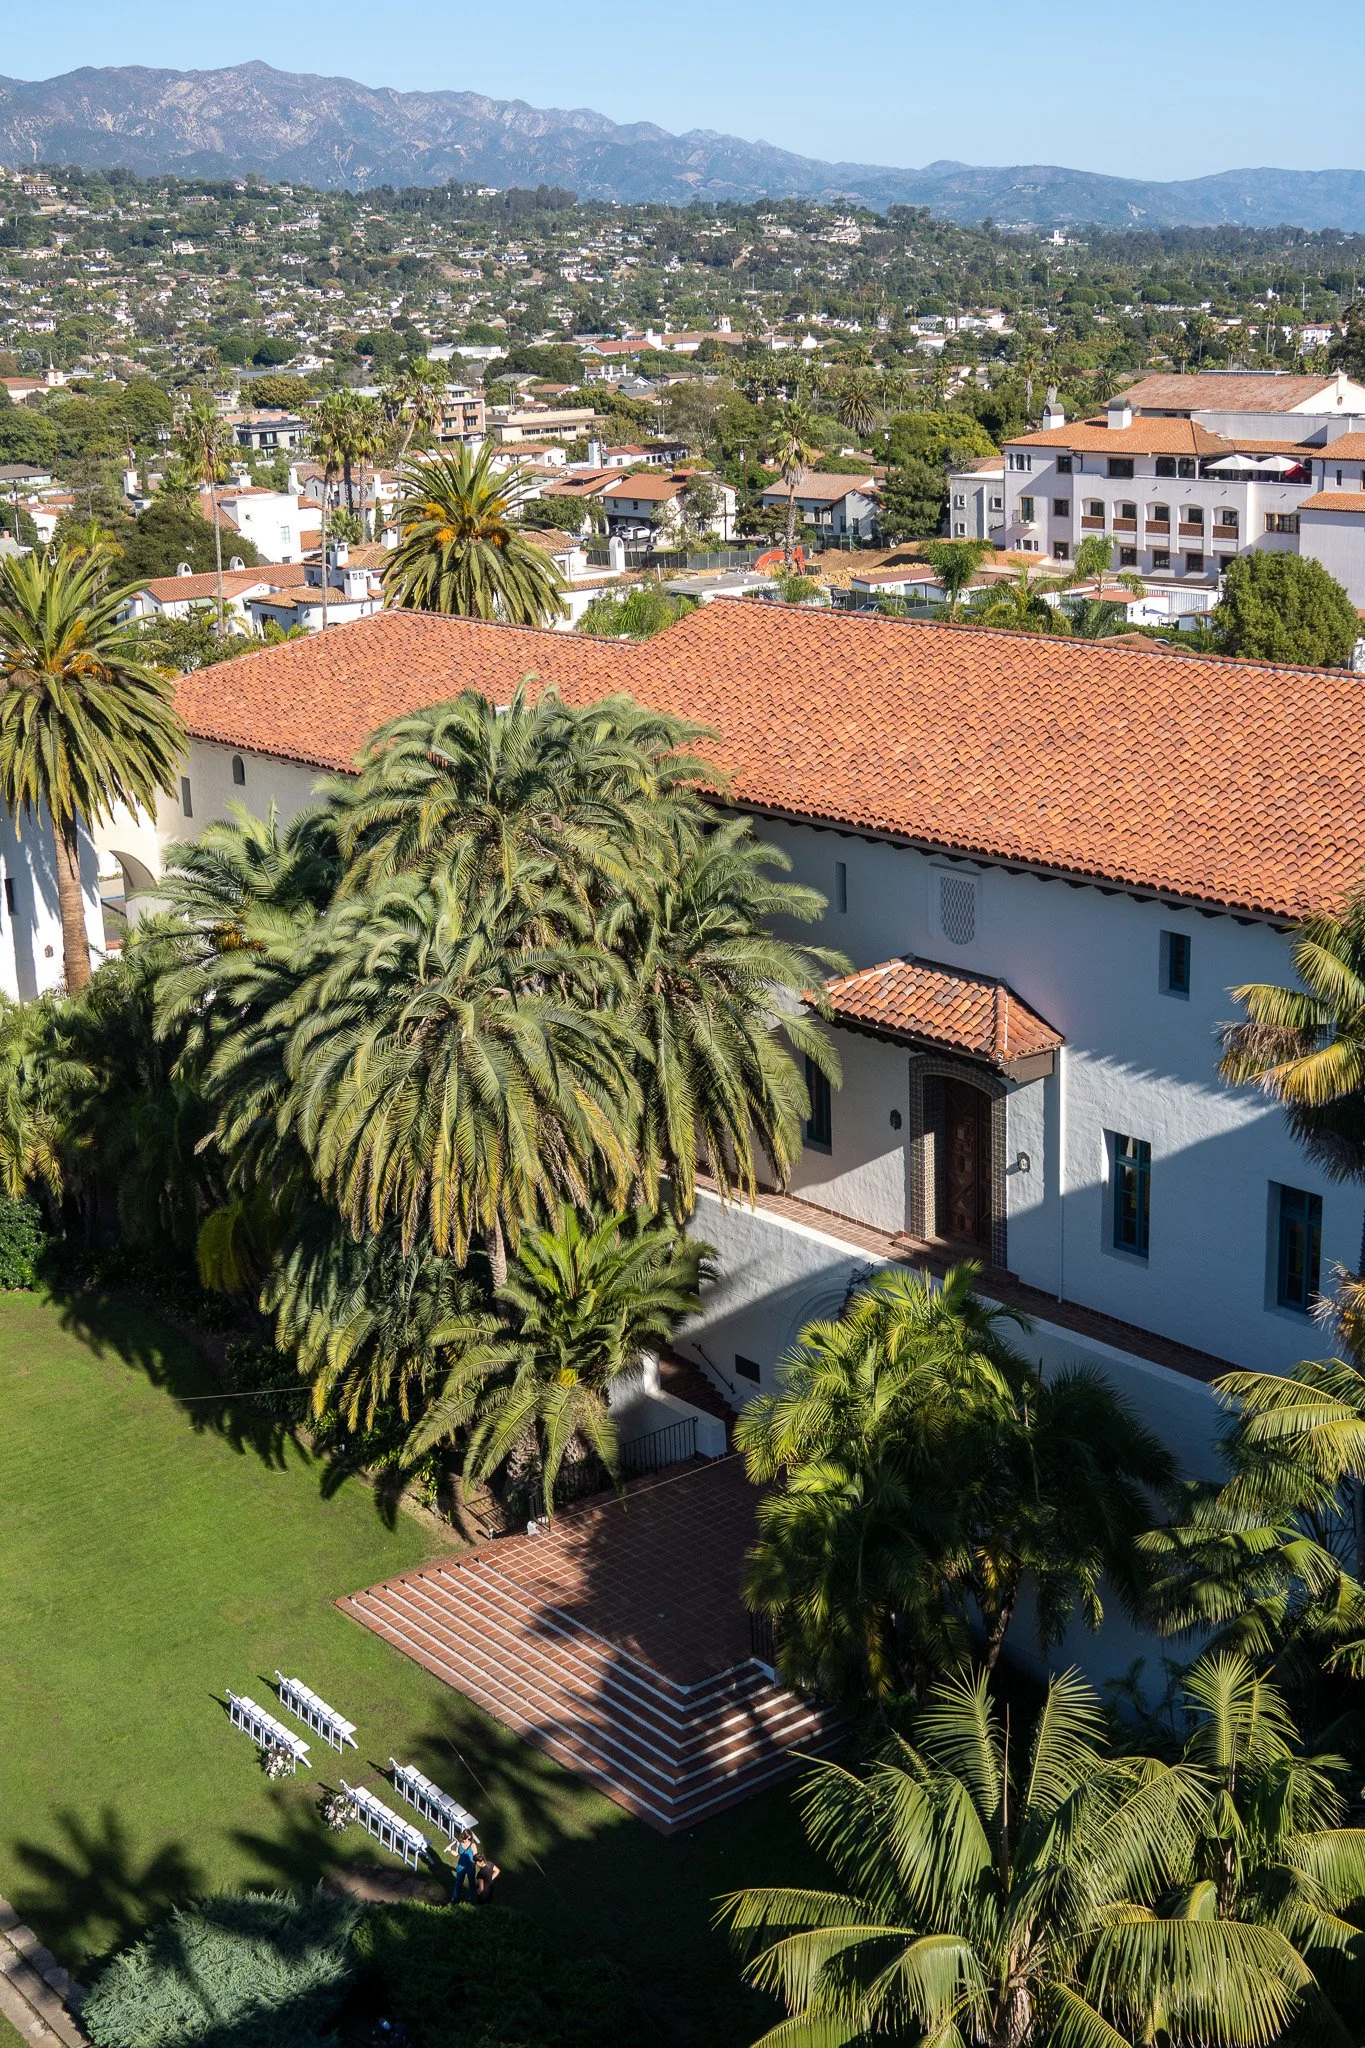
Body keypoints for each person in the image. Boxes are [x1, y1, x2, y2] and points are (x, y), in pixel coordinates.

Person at [449, 1829, 478, 1904]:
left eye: (469, 1838)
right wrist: (450, 1850)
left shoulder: (473, 1845)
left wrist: (477, 1862)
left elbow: (476, 1856)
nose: (467, 1840)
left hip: (470, 1867)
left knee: (472, 1883)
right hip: (461, 1866)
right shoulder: (459, 1843)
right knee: (458, 1883)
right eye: (465, 1838)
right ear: (463, 1836)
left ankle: (472, 1898)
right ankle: (454, 1899)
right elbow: (457, 1854)